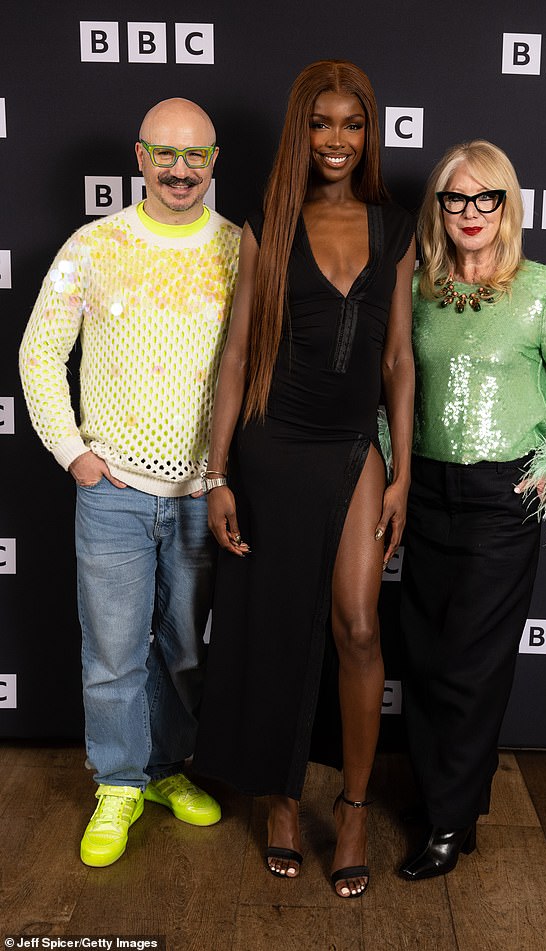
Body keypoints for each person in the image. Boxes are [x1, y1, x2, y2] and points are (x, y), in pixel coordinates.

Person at [193, 60, 415, 899]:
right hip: (272, 445)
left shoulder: (393, 229)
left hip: (354, 445)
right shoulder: (270, 221)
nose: (336, 140)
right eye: (321, 124)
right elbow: (238, 355)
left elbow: (398, 359)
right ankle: (283, 801)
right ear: (301, 130)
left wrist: (401, 472)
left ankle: (351, 806)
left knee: (358, 623)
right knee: (278, 625)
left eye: (351, 124)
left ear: (369, 133)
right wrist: (219, 473)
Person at [19, 98, 241, 867]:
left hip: (200, 495)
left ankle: (165, 771)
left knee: (184, 649)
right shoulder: (94, 244)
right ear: (139, 157)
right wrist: (75, 453)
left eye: (196, 157)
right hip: (111, 489)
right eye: (165, 155)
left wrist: (229, 473)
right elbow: (41, 352)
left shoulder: (241, 251)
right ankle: (116, 782)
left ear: (214, 161)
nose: (181, 172)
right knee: (113, 652)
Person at [399, 139, 546, 881]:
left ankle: (449, 823)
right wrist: (390, 468)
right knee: (421, 655)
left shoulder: (543, 287)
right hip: (425, 492)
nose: (472, 212)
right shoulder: (417, 285)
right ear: (440, 208)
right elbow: (399, 390)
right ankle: (445, 800)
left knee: (471, 666)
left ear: (507, 206)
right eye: (457, 198)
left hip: (500, 499)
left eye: (488, 198)